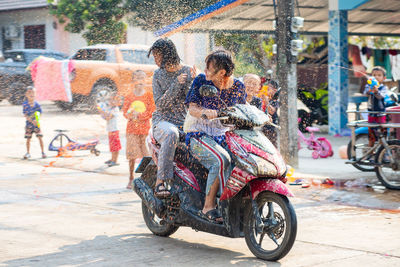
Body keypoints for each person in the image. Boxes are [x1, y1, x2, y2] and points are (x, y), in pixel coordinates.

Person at [185, 49, 246, 223]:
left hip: (223, 134)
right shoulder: (201, 80)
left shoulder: (238, 87)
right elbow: (192, 108)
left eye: (209, 68)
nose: (205, 71)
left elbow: (243, 108)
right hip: (198, 133)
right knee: (221, 160)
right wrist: (205, 112)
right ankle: (208, 206)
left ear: (222, 73)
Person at [148, 38, 194, 197]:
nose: (155, 59)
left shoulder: (188, 71)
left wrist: (194, 81)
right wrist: (176, 84)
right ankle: (160, 181)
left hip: (185, 122)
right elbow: (160, 104)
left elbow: (192, 100)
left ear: (167, 54)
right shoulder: (158, 75)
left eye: (157, 55)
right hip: (163, 122)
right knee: (171, 134)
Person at [123, 70, 155, 189]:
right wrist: (130, 115)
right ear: (133, 81)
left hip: (145, 130)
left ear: (146, 80)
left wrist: (139, 116)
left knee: (146, 155)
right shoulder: (129, 96)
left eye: (142, 78)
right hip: (131, 130)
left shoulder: (148, 96)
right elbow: (125, 112)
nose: (140, 81)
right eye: (137, 78)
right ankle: (131, 178)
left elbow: (151, 111)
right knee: (132, 155)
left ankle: (146, 179)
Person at [363, 66, 389, 147]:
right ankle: (370, 153)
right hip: (371, 114)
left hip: (381, 114)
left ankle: (382, 152)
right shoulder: (368, 86)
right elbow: (365, 93)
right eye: (374, 75)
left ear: (384, 78)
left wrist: (376, 91)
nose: (376, 77)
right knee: (371, 135)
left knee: (382, 135)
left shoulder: (384, 88)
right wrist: (370, 90)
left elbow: (381, 96)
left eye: (379, 75)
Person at [98, 92, 122, 167]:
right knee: (112, 146)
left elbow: (108, 117)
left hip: (115, 130)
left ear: (118, 102)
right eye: (110, 99)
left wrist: (101, 111)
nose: (110, 101)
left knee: (115, 146)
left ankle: (115, 160)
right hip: (110, 130)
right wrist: (101, 111)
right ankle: (112, 159)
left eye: (113, 100)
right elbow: (106, 117)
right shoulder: (109, 108)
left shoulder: (115, 109)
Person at [22, 86, 46, 159]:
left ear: (35, 94)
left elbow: (40, 112)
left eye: (33, 93)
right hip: (29, 125)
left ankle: (43, 152)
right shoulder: (25, 104)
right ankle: (28, 152)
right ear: (26, 94)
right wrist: (32, 121)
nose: (31, 94)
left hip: (36, 124)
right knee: (28, 139)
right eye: (29, 93)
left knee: (40, 137)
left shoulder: (37, 104)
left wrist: (37, 120)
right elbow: (25, 115)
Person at [262, 79, 280, 147]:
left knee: (272, 146)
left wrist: (266, 101)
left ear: (275, 90)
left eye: (268, 89)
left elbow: (272, 111)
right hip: (263, 127)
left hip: (271, 129)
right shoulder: (264, 99)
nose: (266, 91)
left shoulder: (275, 101)